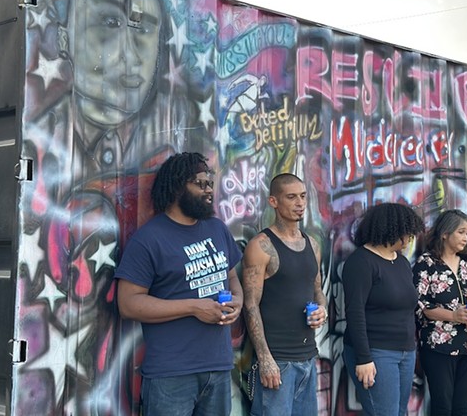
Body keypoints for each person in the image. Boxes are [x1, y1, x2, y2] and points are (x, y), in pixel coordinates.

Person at [115, 152, 243, 416]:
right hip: (171, 375)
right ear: (176, 188)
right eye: (200, 183)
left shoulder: (218, 229)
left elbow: (232, 278)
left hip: (219, 368)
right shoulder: (149, 239)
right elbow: (128, 304)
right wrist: (194, 308)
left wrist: (238, 301)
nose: (209, 190)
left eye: (210, 183)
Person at [242, 173, 327, 416]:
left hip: (308, 358)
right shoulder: (261, 246)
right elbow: (250, 305)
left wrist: (322, 310)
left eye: (302, 196)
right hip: (277, 362)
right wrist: (265, 359)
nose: (300, 203)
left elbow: (317, 290)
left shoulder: (312, 244)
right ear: (273, 202)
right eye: (291, 197)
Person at [341, 203, 424, 416]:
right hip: (376, 352)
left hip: (405, 351)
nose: (410, 238)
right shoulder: (361, 261)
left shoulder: (402, 262)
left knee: (399, 412)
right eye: (407, 232)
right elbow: (355, 312)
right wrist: (364, 358)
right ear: (392, 229)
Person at [413, 209, 467, 416]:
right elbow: (421, 305)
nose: (466, 238)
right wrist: (454, 316)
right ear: (445, 233)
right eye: (461, 232)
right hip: (439, 345)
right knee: (443, 406)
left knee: (463, 407)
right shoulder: (427, 263)